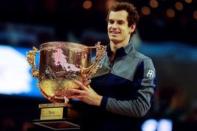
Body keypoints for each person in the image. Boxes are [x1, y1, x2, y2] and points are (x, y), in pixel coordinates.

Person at [67, 1, 156, 131]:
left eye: (120, 22)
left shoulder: (143, 63)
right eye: (111, 21)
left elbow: (141, 108)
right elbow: (84, 101)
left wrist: (99, 100)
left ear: (132, 27)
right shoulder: (92, 58)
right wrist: (67, 105)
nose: (113, 26)